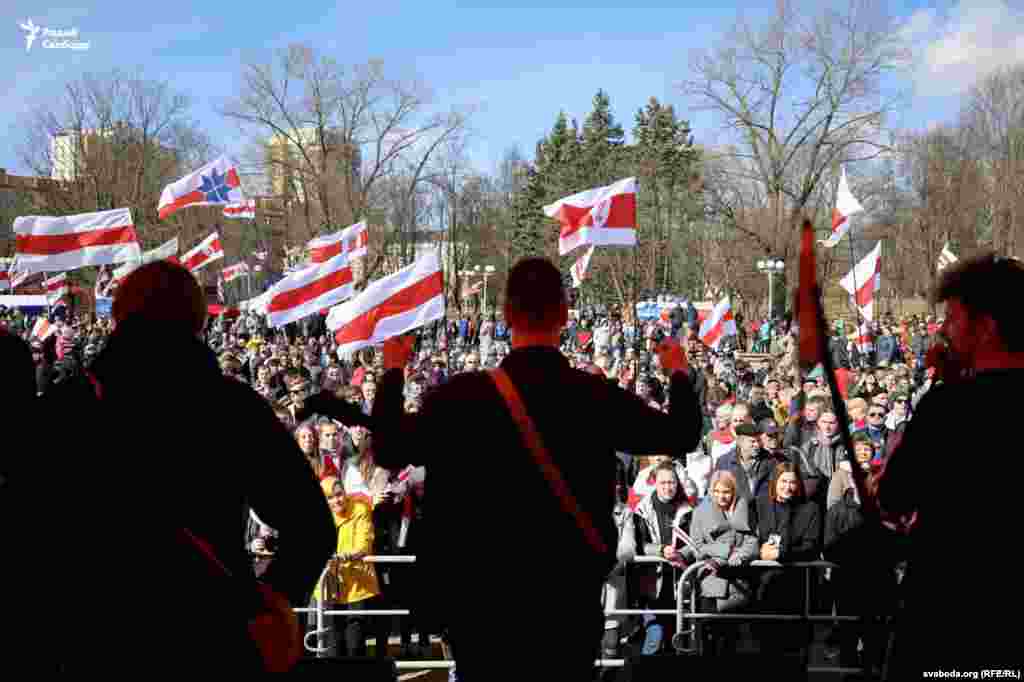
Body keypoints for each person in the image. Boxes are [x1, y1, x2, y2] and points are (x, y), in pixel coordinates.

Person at [306, 257, 703, 680]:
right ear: (564, 314)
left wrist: (392, 372)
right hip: (565, 602)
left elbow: (389, 449)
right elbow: (680, 434)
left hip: (483, 605)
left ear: (507, 314)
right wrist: (678, 372)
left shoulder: (463, 397)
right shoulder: (591, 395)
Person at [45, 261, 336, 672]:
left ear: (119, 316)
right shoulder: (232, 407)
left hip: (93, 639)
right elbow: (313, 526)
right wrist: (269, 602)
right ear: (197, 321)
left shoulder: (67, 408)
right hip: (215, 637)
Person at [876, 254, 1024, 674]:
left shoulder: (948, 408)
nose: (943, 330)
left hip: (948, 613)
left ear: (987, 326)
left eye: (953, 319)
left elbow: (895, 495)